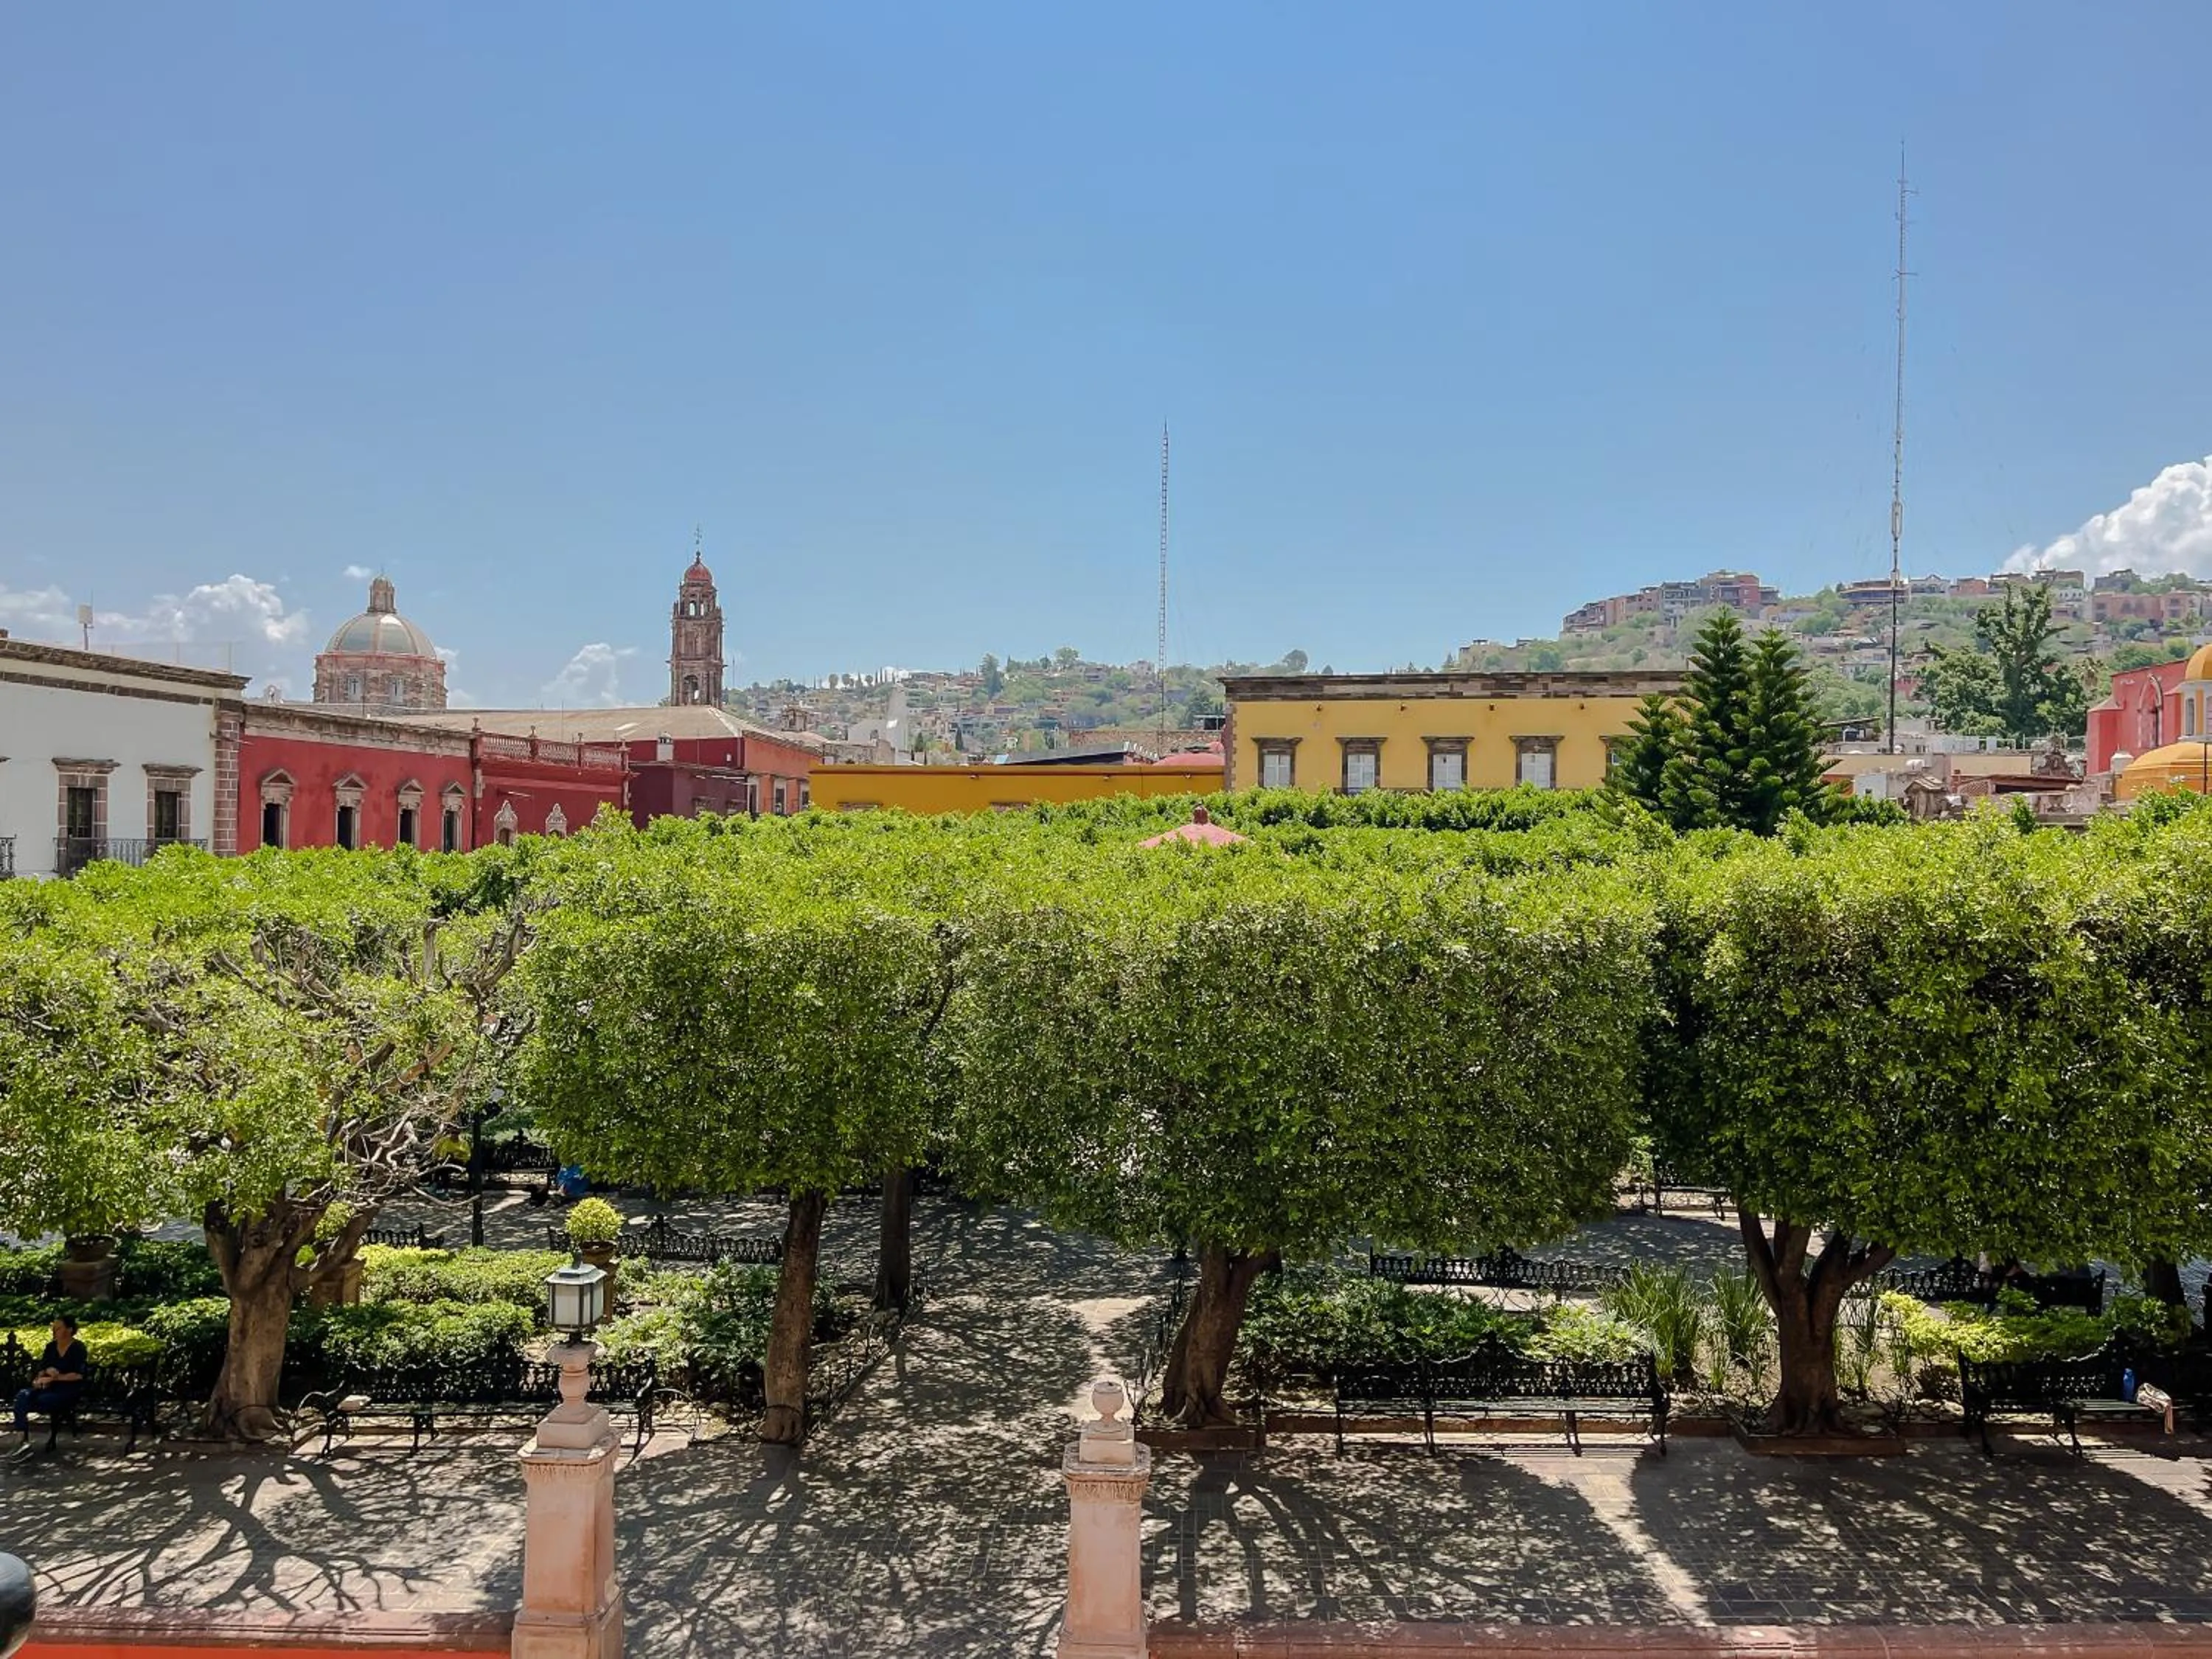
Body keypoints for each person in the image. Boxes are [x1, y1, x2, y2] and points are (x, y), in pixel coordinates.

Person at [13, 1315, 90, 1435]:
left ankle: (65, 1423)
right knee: (22, 1395)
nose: (54, 1331)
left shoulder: (78, 1348)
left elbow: (79, 1375)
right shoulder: (51, 1347)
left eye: (58, 1328)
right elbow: (43, 1368)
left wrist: (55, 1378)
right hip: (47, 1387)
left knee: (43, 1400)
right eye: (53, 1328)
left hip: (68, 1389)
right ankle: (21, 1430)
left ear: (69, 1330)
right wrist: (39, 1380)